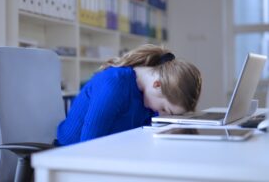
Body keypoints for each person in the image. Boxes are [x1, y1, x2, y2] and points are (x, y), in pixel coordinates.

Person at [57, 44, 202, 146]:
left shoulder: (148, 97)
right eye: (165, 109)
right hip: (70, 152)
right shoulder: (114, 84)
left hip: (110, 150)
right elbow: (88, 145)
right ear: (157, 85)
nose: (162, 115)